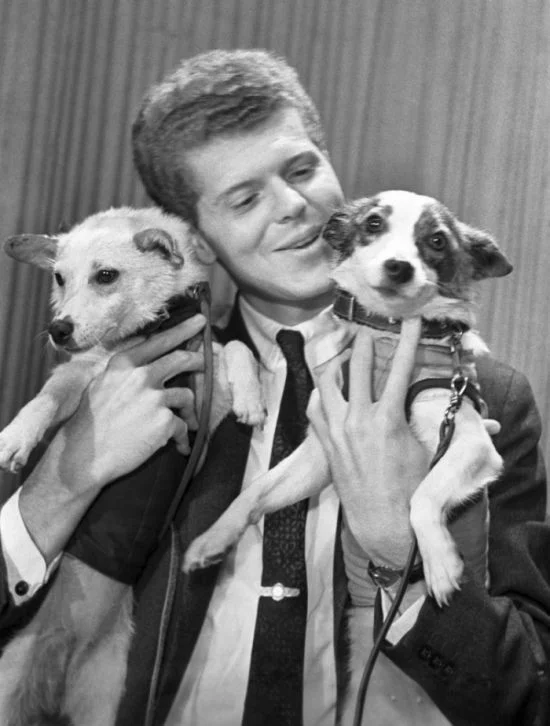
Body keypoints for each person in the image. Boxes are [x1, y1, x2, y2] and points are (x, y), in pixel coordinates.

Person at [0, 48, 548, 726]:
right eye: (245, 198)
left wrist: (399, 554)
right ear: (196, 242)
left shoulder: (483, 394)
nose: (294, 207)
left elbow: (530, 693)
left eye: (302, 170)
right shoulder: (133, 379)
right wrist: (63, 476)